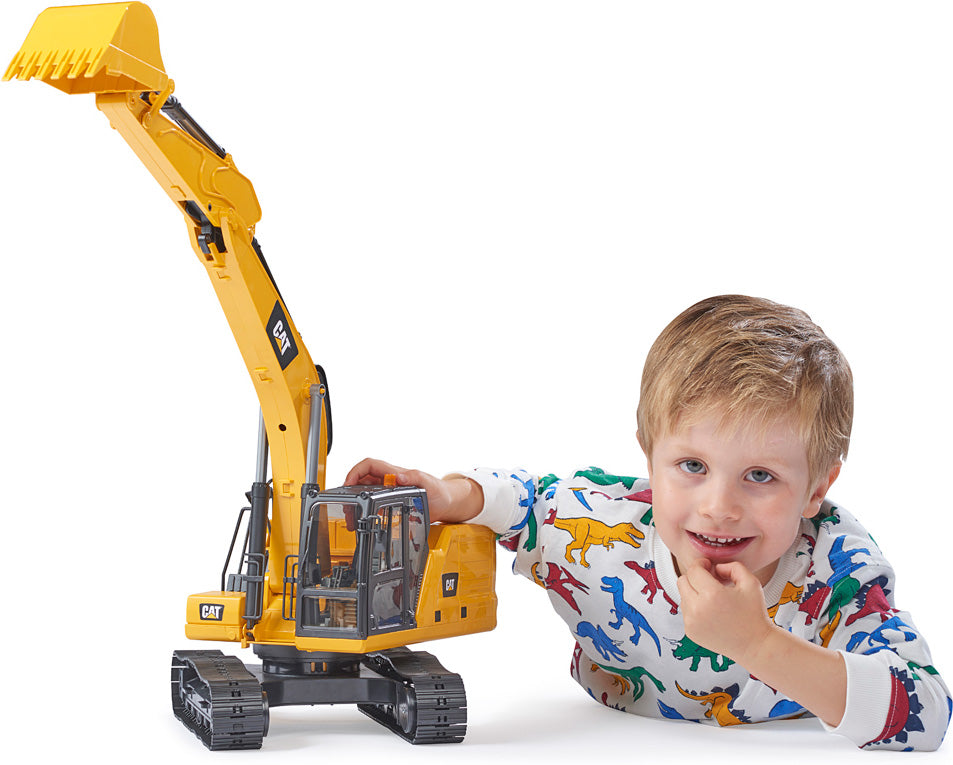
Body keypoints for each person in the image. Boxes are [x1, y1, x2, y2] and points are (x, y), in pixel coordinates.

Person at [345, 294, 950, 751]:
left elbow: (926, 711)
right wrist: (451, 493)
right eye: (692, 465)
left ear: (817, 487)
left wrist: (756, 643)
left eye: (761, 476)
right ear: (648, 456)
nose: (719, 506)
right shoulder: (605, 528)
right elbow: (522, 498)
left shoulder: (837, 571)